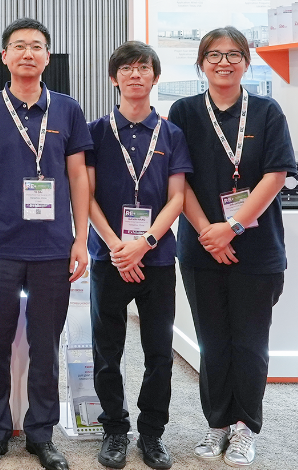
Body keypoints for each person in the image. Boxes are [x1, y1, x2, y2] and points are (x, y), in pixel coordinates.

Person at [0, 17, 92, 470]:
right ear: (4, 56)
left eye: (36, 46)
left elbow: (78, 177)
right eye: (18, 46)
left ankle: (41, 434)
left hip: (53, 248)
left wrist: (81, 239)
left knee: (45, 347)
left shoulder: (67, 109)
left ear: (47, 56)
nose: (28, 53)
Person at [168, 26, 294, 468]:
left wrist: (233, 227)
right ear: (201, 63)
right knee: (213, 340)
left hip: (257, 248)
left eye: (233, 54)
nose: (224, 62)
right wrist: (210, 232)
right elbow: (178, 180)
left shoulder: (266, 111)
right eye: (214, 55)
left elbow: (276, 175)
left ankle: (245, 428)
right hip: (201, 245)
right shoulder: (184, 111)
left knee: (250, 343)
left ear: (246, 61)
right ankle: (218, 422)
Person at [86, 42, 192, 470]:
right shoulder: (94, 132)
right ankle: (114, 429)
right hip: (108, 258)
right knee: (106, 350)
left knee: (159, 352)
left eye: (143, 68)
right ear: (114, 78)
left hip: (158, 258)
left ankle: (151, 433)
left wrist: (143, 243)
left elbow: (177, 198)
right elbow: (85, 196)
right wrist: (117, 246)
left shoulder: (171, 134)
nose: (135, 75)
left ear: (155, 77)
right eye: (126, 68)